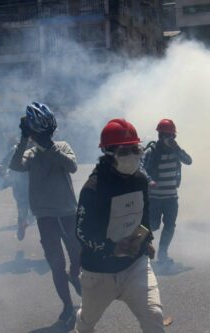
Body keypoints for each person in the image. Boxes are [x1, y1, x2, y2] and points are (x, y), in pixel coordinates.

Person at [74, 118, 164, 333]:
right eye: (124, 152)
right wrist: (111, 247)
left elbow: (144, 213)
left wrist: (146, 238)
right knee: (87, 323)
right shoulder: (93, 188)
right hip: (99, 272)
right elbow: (81, 232)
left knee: (154, 316)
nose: (132, 156)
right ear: (108, 154)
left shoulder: (140, 179)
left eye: (135, 149)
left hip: (135, 264)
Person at [10, 102, 81, 325]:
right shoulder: (30, 154)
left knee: (78, 255)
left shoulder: (62, 146)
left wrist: (48, 146)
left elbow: (72, 166)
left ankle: (75, 274)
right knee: (56, 264)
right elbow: (15, 166)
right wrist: (23, 139)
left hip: (68, 213)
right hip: (45, 217)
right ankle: (68, 305)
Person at [141, 119, 192, 264]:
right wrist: (150, 180)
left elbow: (189, 161)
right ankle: (138, 247)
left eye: (172, 136)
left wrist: (177, 148)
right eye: (167, 136)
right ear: (160, 136)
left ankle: (163, 254)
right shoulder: (152, 152)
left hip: (171, 198)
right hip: (155, 198)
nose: (170, 139)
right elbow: (142, 169)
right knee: (151, 225)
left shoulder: (176, 152)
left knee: (170, 226)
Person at [0, 137, 33, 240]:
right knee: (24, 208)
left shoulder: (36, 150)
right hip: (21, 186)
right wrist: (6, 177)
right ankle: (22, 225)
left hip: (31, 185)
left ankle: (25, 223)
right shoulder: (15, 150)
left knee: (28, 209)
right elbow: (1, 166)